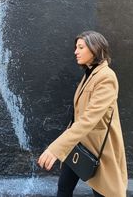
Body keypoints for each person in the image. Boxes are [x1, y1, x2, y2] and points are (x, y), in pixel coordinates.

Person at [38, 30, 128, 197]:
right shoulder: (89, 74)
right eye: (76, 47)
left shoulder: (106, 77)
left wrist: (56, 148)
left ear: (95, 49)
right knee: (64, 188)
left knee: (104, 192)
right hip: (78, 144)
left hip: (97, 150)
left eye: (80, 47)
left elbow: (88, 119)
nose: (75, 51)